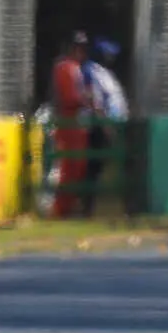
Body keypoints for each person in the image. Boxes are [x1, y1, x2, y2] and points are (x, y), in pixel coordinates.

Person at [80, 39, 129, 215]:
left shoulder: (105, 73)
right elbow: (94, 99)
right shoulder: (90, 70)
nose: (112, 58)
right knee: (95, 167)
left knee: (108, 167)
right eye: (109, 54)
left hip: (113, 124)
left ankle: (112, 208)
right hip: (100, 125)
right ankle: (88, 209)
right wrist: (105, 125)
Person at [48, 33, 91, 218]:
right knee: (67, 166)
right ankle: (61, 209)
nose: (80, 51)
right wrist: (85, 99)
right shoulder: (64, 67)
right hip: (68, 123)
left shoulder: (77, 68)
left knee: (77, 166)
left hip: (78, 124)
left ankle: (70, 206)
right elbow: (68, 97)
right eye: (77, 47)